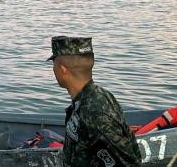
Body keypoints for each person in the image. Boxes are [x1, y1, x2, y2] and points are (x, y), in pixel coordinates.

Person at [48, 36, 142, 167]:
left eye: (54, 64)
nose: (53, 70)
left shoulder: (95, 111)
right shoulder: (87, 100)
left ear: (63, 70)